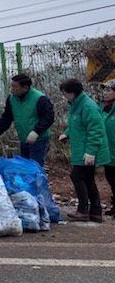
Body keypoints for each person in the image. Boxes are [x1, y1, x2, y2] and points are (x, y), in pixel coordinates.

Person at [58, 78, 111, 222]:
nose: (65, 96)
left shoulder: (87, 106)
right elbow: (78, 124)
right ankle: (95, 211)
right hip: (83, 149)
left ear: (73, 93)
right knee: (87, 179)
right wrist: (67, 134)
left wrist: (91, 151)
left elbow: (95, 130)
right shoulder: (76, 105)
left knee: (77, 176)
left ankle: (83, 210)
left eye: (66, 93)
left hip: (88, 151)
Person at [0, 73, 54, 166]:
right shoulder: (12, 98)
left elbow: (48, 117)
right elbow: (7, 116)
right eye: (12, 86)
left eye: (15, 87)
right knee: (24, 166)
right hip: (24, 138)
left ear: (25, 88)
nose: (12, 89)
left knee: (35, 167)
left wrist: (36, 131)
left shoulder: (39, 98)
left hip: (38, 140)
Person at [99, 79, 115, 216]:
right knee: (111, 178)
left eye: (109, 90)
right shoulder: (103, 108)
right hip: (108, 151)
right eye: (104, 90)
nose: (105, 93)